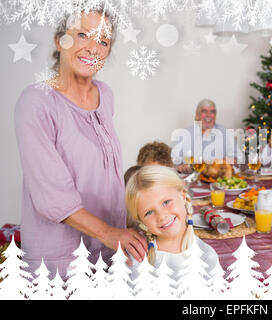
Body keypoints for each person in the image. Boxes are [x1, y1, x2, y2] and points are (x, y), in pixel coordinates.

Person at [14, 10, 147, 278]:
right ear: (59, 40)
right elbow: (52, 197)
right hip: (60, 260)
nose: (93, 47)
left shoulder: (105, 95)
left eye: (103, 40)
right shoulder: (36, 102)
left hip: (110, 250)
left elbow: (101, 174)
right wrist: (109, 233)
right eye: (82, 34)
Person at [125, 165, 218, 280]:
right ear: (140, 220)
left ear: (182, 196)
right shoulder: (136, 255)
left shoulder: (206, 256)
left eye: (166, 202)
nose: (162, 216)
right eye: (149, 212)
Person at [171, 99, 237, 174]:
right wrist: (180, 167)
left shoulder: (225, 132)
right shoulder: (185, 134)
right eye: (204, 111)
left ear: (215, 115)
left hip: (218, 178)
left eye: (212, 112)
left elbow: (236, 157)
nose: (208, 115)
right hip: (192, 178)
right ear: (197, 115)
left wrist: (230, 160)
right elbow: (173, 161)